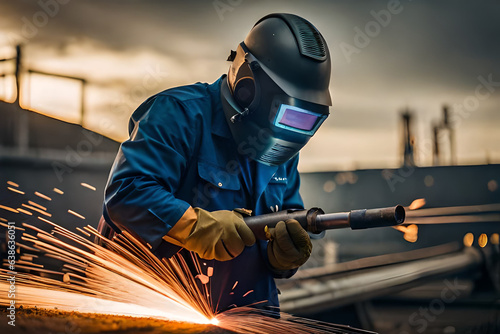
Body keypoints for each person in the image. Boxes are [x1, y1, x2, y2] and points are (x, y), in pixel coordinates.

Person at [99, 12, 332, 313]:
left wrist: (281, 258)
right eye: (287, 115)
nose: (290, 132)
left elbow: (286, 216)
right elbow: (125, 193)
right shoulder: (178, 116)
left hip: (249, 319)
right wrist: (194, 226)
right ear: (248, 85)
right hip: (157, 315)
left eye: (305, 122)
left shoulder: (283, 150)